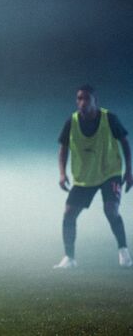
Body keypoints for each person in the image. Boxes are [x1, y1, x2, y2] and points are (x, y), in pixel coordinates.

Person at [55, 84, 133, 269]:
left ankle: (124, 252)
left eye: (86, 98)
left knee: (111, 210)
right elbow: (63, 148)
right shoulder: (71, 121)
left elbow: (125, 143)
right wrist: (62, 173)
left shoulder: (109, 118)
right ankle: (69, 258)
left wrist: (129, 171)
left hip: (109, 172)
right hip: (85, 177)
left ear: (95, 101)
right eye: (79, 98)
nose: (82, 102)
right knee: (69, 214)